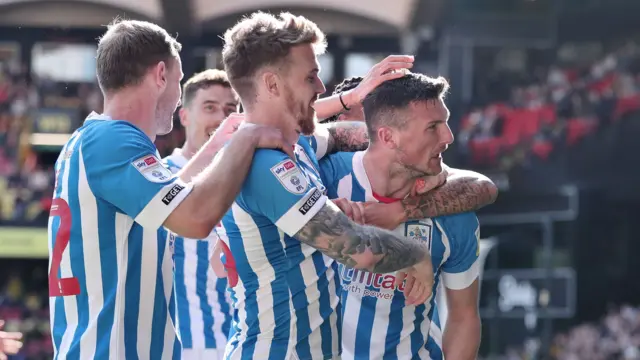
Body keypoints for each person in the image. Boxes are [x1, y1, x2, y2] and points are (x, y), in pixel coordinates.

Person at [47, 19, 291, 359]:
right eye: (178, 82)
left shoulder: (89, 140)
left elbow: (172, 196)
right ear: (161, 75)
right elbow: (193, 217)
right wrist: (246, 140)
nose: (178, 100)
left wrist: (216, 145)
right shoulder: (114, 140)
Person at [218, 11, 437, 360]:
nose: (321, 88)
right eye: (311, 77)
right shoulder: (263, 165)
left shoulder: (293, 145)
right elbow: (354, 247)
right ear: (272, 85)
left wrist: (398, 138)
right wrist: (417, 254)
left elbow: (332, 134)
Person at [319, 73, 482, 359]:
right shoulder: (324, 178)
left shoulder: (453, 210)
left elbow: (464, 316)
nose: (449, 137)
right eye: (433, 127)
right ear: (387, 136)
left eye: (445, 122)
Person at [163, 69, 239, 359]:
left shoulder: (245, 177)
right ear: (184, 116)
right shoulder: (161, 176)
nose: (221, 118)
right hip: (183, 344)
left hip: (239, 340)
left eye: (230, 109)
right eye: (210, 108)